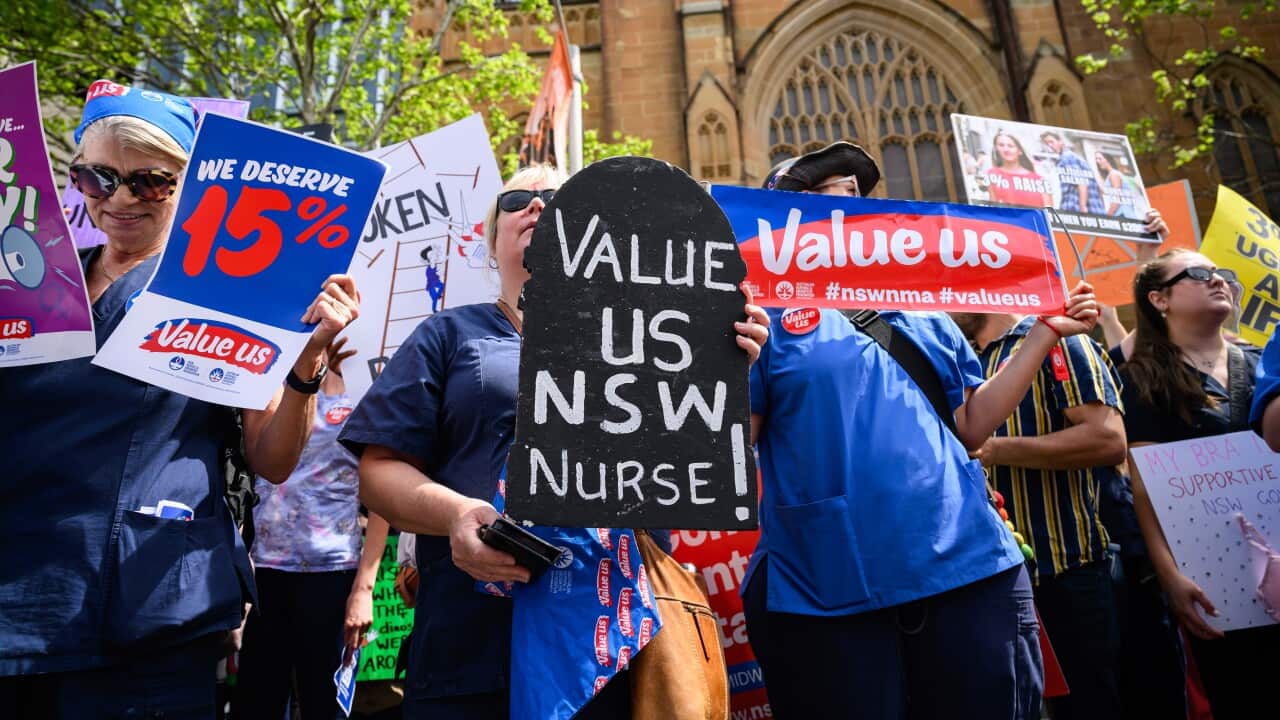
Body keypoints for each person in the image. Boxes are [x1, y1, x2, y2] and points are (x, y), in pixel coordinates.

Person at [338, 164, 770, 719]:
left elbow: (695, 470)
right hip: (473, 648)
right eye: (518, 199)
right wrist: (456, 515)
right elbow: (378, 472)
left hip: (612, 650)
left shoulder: (651, 337)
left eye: (560, 198)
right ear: (491, 242)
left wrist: (721, 365)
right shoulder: (447, 336)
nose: (538, 206)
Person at [0, 81, 360, 718]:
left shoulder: (232, 291)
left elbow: (272, 460)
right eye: (97, 178)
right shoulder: (29, 280)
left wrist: (305, 365)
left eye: (149, 182)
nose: (118, 201)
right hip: (19, 600)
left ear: (191, 186)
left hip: (148, 612)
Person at [746, 140, 1100, 720]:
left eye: (854, 188)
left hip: (969, 564)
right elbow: (733, 446)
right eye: (824, 188)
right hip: (830, 584)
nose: (849, 195)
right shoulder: (764, 319)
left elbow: (969, 425)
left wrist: (1043, 334)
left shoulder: (920, 306)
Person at [1120, 249, 1280, 719]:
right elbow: (1145, 488)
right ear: (1159, 299)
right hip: (1217, 583)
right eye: (1197, 274)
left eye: (1220, 273)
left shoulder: (1263, 366)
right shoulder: (1142, 380)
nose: (1216, 280)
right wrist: (1169, 576)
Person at [954, 311, 1126, 720]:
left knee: (1086, 706)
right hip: (995, 582)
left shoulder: (1057, 337)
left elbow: (1108, 439)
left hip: (1066, 574)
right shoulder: (964, 360)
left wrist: (994, 448)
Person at [234, 338, 392, 720]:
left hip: (332, 575)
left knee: (325, 706)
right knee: (256, 706)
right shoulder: (269, 373)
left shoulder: (363, 386)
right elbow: (243, 478)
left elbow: (382, 498)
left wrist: (363, 591)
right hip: (265, 577)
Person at [1040, 131, 1105, 214]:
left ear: (1060, 141)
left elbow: (1081, 182)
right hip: (1095, 211)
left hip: (1077, 210)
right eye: (1046, 143)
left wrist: (1083, 207)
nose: (1049, 145)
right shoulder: (1071, 158)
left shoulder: (1067, 158)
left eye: (1051, 142)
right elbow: (1099, 187)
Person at [986, 131, 1052, 207]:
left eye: (1010, 146)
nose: (1006, 149)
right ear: (996, 149)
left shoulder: (1038, 179)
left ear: (1020, 151)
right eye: (1001, 145)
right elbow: (993, 207)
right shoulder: (992, 174)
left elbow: (1048, 211)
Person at [1095, 152, 1138, 218]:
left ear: (1108, 160)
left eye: (1100, 159)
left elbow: (1116, 200)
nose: (1097, 161)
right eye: (1096, 159)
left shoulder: (1113, 175)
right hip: (1122, 215)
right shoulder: (1111, 175)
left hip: (1123, 215)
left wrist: (1107, 218)